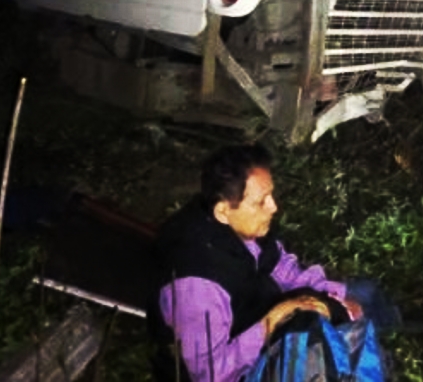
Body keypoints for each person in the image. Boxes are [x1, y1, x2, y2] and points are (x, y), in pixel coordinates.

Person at [149, 144, 394, 382]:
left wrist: (337, 296)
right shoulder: (196, 287)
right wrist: (272, 321)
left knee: (365, 292)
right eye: (261, 201)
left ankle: (391, 330)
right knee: (327, 336)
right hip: (245, 364)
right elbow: (211, 374)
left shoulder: (243, 226)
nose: (273, 207)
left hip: (260, 309)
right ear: (223, 211)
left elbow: (282, 267)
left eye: (271, 195)